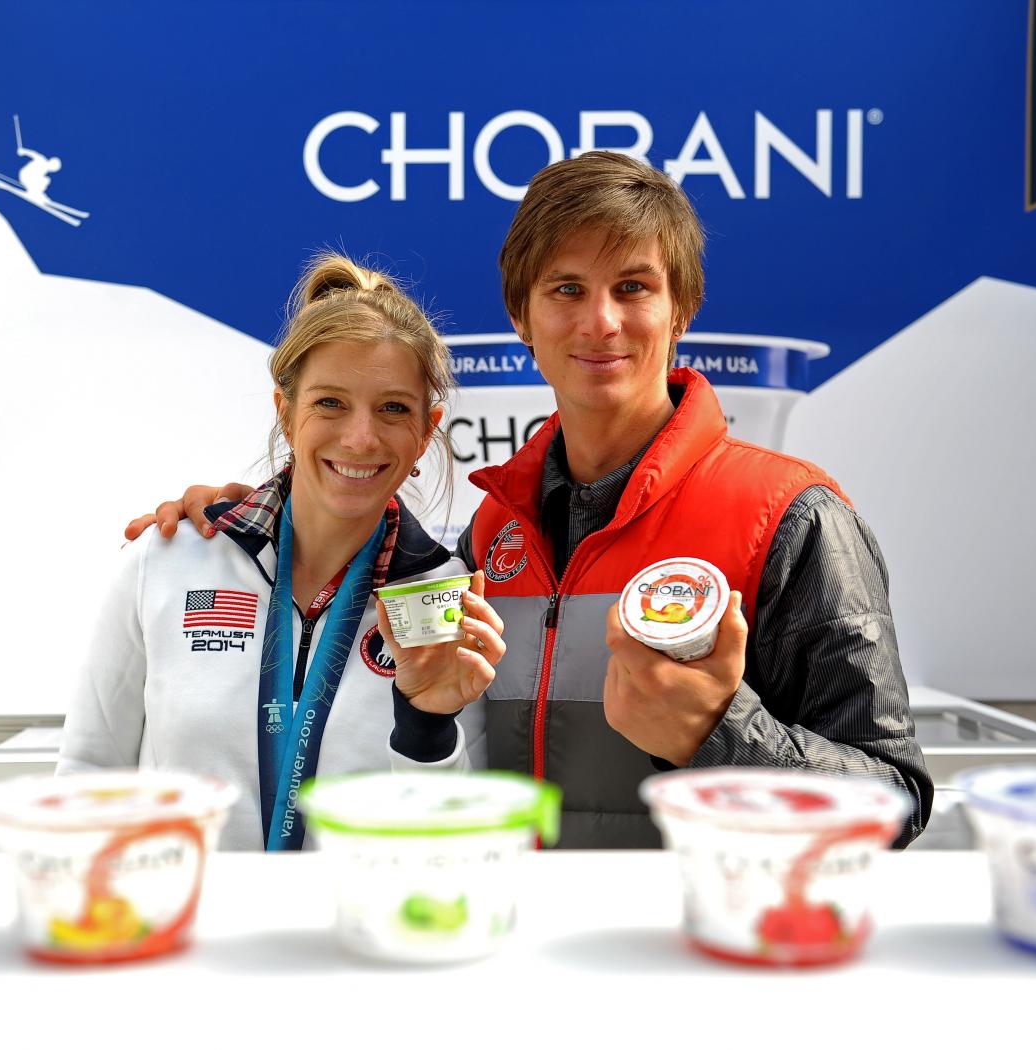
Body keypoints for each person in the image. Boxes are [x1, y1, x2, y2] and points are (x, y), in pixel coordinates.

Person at [126, 153, 934, 849]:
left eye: (633, 286)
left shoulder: (792, 517)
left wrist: (721, 733)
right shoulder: (491, 533)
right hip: (513, 951)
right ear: (522, 317)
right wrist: (255, 523)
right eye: (566, 289)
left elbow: (895, 802)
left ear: (681, 309)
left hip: (697, 956)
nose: (601, 322)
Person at [61, 254, 506, 851]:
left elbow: (456, 846)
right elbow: (89, 775)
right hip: (186, 910)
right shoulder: (167, 560)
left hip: (353, 913)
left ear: (427, 431)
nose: (360, 438)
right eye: (330, 403)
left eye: (393, 408)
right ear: (286, 412)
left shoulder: (443, 597)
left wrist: (425, 725)